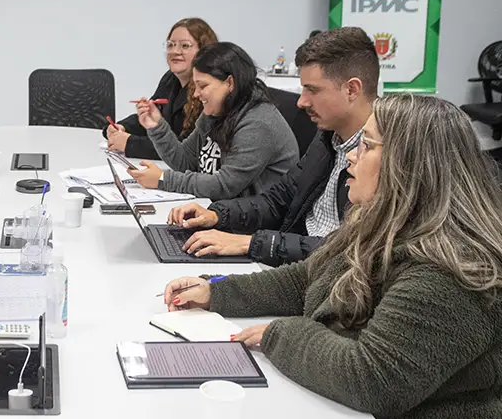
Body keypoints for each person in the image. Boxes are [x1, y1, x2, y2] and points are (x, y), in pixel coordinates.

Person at [163, 94, 502, 419]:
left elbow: (369, 379)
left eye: (368, 146)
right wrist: (218, 291)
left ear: (408, 166)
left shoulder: (450, 271)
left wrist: (279, 334)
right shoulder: (380, 220)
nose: (352, 158)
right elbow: (309, 277)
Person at [166, 27, 377, 265]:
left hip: (322, 276)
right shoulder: (327, 138)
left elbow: (350, 250)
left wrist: (251, 243)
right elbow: (277, 200)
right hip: (293, 263)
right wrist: (218, 215)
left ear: (352, 89)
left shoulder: (387, 156)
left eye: (312, 90)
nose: (301, 101)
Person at [127, 42, 298, 200]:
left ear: (230, 83)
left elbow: (224, 185)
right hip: (223, 210)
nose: (196, 94)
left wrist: (163, 179)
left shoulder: (258, 123)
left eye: (203, 86)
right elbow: (185, 161)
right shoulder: (217, 109)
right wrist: (156, 126)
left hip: (252, 224)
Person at [105, 18, 218, 158]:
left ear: (203, 51)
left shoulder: (207, 90)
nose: (175, 51)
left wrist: (129, 143)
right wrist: (122, 127)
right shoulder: (170, 79)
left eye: (185, 46)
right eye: (171, 45)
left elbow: (183, 149)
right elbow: (152, 119)